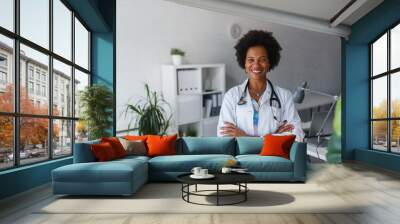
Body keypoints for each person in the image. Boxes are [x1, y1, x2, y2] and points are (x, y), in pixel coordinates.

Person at [217, 30, 304, 141]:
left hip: (273, 158)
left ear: (269, 63)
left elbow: (297, 135)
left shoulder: (284, 96)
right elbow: (224, 136)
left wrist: (245, 137)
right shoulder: (232, 96)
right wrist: (275, 137)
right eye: (251, 60)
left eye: (262, 60)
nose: (256, 65)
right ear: (244, 64)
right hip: (241, 157)